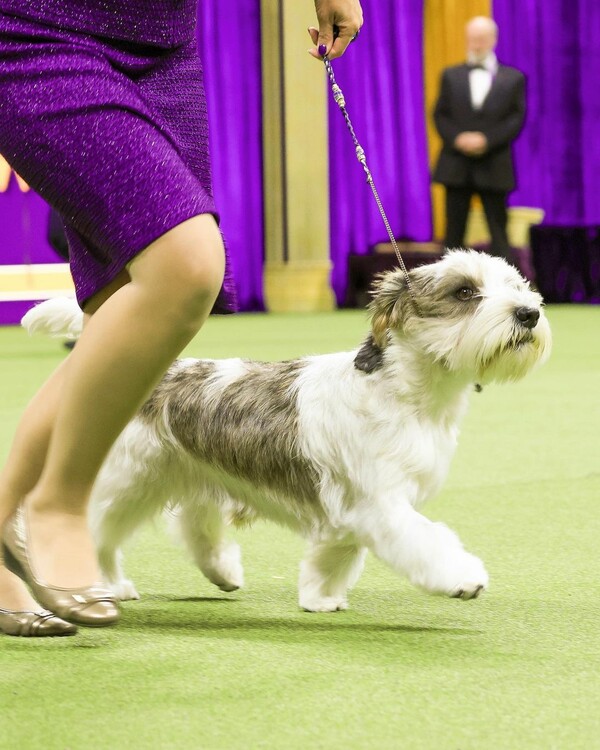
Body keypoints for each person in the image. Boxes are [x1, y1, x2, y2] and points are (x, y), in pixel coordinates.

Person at [0, 0, 363, 637]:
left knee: (121, 315)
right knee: (186, 267)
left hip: (164, 40)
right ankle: (56, 502)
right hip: (36, 27)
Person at [432, 16, 526, 262]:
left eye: (481, 39)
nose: (476, 44)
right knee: (453, 234)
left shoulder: (513, 78)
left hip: (494, 163)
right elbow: (440, 115)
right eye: (472, 39)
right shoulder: (451, 76)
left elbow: (516, 119)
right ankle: (445, 294)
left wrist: (486, 140)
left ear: (493, 40)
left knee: (499, 232)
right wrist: (459, 138)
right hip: (456, 164)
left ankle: (506, 292)